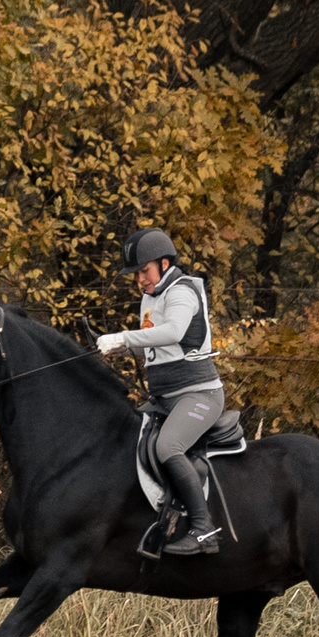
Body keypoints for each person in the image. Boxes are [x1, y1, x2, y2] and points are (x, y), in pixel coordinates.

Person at [94, 227, 226, 555]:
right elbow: (152, 347)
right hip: (164, 399)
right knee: (124, 439)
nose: (140, 279)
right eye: (137, 274)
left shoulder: (181, 292)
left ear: (164, 264)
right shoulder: (150, 299)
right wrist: (119, 349)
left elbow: (174, 332)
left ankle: (203, 529)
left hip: (199, 396)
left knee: (168, 446)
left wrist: (124, 337)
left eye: (144, 271)